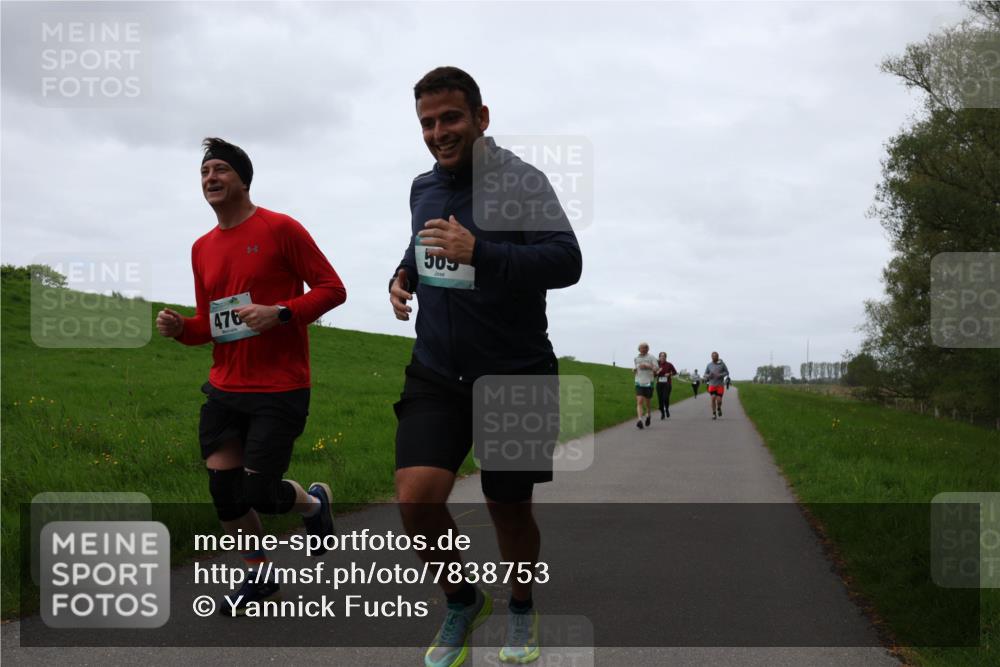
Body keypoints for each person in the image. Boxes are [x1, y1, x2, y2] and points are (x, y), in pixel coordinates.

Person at [388, 67, 582, 667]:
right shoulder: (423, 186)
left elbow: (566, 260)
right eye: (427, 122)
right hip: (438, 370)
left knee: (509, 508)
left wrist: (485, 252)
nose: (438, 132)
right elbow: (424, 243)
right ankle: (464, 600)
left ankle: (520, 606)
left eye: (450, 118)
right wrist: (402, 276)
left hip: (514, 372)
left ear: (481, 118)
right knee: (416, 501)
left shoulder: (524, 182)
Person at [155, 138, 347, 615]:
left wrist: (282, 312)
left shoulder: (281, 229)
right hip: (224, 388)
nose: (210, 179)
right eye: (204, 173)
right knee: (225, 493)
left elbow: (333, 289)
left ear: (243, 178)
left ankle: (312, 504)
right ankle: (260, 577)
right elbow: (210, 326)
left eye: (220, 169)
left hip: (280, 388)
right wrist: (182, 330)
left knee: (261, 492)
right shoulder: (201, 248)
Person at [633, 342, 657, 429]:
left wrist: (648, 366)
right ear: (639, 349)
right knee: (639, 401)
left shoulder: (651, 357)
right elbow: (636, 368)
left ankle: (648, 415)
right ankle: (639, 420)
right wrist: (634, 370)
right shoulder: (636, 358)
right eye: (642, 348)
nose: (643, 349)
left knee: (647, 403)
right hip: (639, 382)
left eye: (645, 348)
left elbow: (656, 369)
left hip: (649, 382)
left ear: (648, 349)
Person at [704, 351, 731, 420]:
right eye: (713, 356)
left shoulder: (722, 364)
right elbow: (705, 374)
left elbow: (727, 372)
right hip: (712, 384)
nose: (714, 357)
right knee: (713, 398)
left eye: (715, 356)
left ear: (718, 357)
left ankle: (719, 408)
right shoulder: (709, 365)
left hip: (720, 385)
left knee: (719, 400)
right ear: (711, 357)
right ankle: (714, 413)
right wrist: (709, 375)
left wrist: (721, 375)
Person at [655, 352, 678, 419]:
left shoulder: (669, 364)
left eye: (663, 356)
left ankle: (667, 409)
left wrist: (669, 374)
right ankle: (662, 413)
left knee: (665, 398)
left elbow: (675, 372)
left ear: (666, 357)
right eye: (661, 356)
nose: (662, 357)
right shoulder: (657, 365)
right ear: (659, 357)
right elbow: (654, 374)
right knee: (660, 400)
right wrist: (657, 372)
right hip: (659, 384)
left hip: (667, 384)